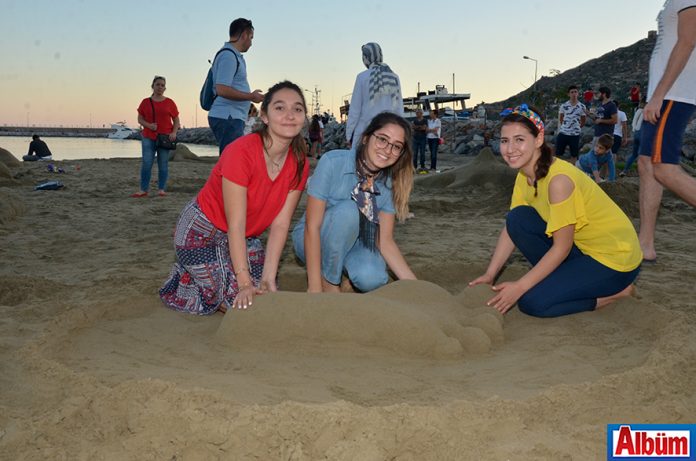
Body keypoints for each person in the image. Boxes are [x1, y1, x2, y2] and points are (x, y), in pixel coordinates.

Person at [469, 104, 641, 317]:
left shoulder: (559, 181)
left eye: (519, 139)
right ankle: (563, 280)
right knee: (517, 218)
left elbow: (561, 248)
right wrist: (490, 274)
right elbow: (511, 229)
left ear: (538, 140)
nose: (510, 149)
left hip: (614, 261)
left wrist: (520, 287)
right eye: (505, 141)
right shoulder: (525, 175)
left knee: (532, 303)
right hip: (581, 251)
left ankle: (617, 293)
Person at [159, 81, 310, 314]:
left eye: (297, 109)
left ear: (304, 117)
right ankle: (183, 279)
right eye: (280, 108)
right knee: (236, 303)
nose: (290, 115)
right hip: (201, 232)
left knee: (264, 293)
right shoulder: (241, 152)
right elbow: (235, 224)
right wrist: (244, 283)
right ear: (265, 116)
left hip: (245, 238)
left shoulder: (299, 161)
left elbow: (280, 225)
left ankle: (221, 269)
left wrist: (269, 279)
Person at [292, 111, 417, 293]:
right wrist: (315, 286)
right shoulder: (332, 162)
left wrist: (416, 287)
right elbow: (312, 227)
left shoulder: (389, 184)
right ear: (366, 137)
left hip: (354, 242)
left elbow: (385, 242)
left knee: (373, 278)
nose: (388, 150)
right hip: (312, 238)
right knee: (351, 209)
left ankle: (344, 276)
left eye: (396, 146)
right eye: (382, 139)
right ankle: (330, 281)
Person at [638, 0, 696, 263]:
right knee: (646, 163)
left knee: (664, 167)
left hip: (675, 94)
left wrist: (660, 94)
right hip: (663, 95)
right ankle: (645, 245)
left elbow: (687, 41)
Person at [208, 18, 265, 154]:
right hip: (228, 117)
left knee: (231, 159)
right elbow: (222, 89)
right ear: (244, 35)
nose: (251, 43)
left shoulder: (232, 55)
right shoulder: (229, 56)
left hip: (231, 117)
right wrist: (251, 96)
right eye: (251, 38)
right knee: (231, 159)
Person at [345, 42, 403, 147]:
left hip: (365, 132)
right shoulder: (394, 77)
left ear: (366, 58)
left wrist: (349, 135)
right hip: (388, 133)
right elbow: (399, 109)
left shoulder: (362, 77)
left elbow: (355, 110)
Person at [131, 76, 180, 198]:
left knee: (163, 164)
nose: (160, 87)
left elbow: (176, 120)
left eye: (162, 85)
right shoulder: (145, 102)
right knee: (147, 163)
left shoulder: (170, 102)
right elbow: (139, 119)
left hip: (165, 138)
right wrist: (149, 125)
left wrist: (174, 133)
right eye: (158, 84)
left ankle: (161, 189)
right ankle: (143, 189)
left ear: (165, 88)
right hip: (148, 136)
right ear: (152, 86)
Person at [555, 85, 587, 163]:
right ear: (568, 94)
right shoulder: (564, 106)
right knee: (558, 153)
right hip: (563, 133)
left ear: (578, 93)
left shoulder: (582, 106)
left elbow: (583, 120)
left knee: (574, 155)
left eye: (575, 92)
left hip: (575, 135)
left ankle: (573, 171)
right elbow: (561, 118)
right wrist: (566, 126)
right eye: (572, 92)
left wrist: (577, 127)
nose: (574, 94)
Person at [620, 99, 645, 177]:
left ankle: (624, 170)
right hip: (644, 133)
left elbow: (634, 122)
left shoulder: (639, 110)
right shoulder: (648, 111)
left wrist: (634, 130)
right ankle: (643, 173)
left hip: (637, 133)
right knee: (644, 155)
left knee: (634, 154)